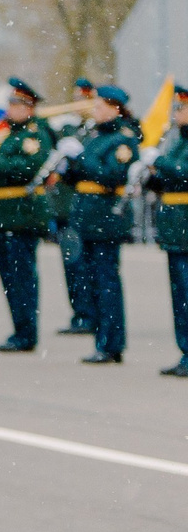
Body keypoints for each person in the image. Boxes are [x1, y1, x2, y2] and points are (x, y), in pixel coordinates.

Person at [65, 84, 139, 366]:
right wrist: (68, 166)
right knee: (93, 282)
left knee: (106, 282)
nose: (94, 110)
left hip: (106, 218)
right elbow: (82, 176)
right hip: (88, 217)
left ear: (114, 108)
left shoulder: (123, 140)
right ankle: (102, 339)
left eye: (99, 106)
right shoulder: (95, 136)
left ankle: (111, 343)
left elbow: (111, 176)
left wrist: (81, 157)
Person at [0, 79, 55, 352]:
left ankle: (26, 333)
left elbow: (30, 167)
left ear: (29, 108)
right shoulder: (11, 135)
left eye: (16, 104)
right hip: (2, 215)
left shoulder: (34, 135)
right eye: (10, 103)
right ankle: (19, 330)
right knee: (10, 278)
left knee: (22, 278)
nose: (10, 109)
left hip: (21, 215)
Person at [144, 94, 188, 376]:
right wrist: (149, 173)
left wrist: (159, 161)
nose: (176, 113)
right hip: (175, 227)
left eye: (181, 108)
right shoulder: (176, 139)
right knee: (180, 294)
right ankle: (185, 351)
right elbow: (168, 180)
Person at [55, 76, 98, 338]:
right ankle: (80, 311)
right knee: (71, 264)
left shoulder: (96, 131)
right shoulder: (69, 129)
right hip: (65, 206)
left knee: (83, 263)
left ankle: (88, 313)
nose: (77, 103)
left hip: (84, 207)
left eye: (83, 99)